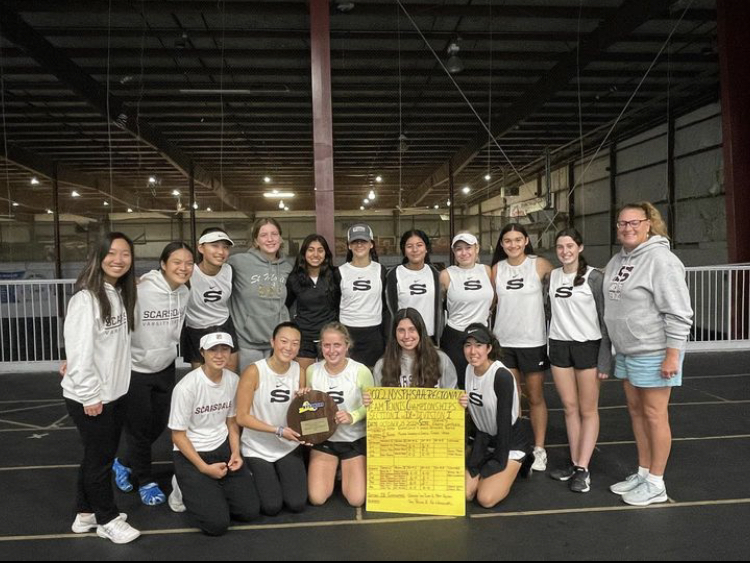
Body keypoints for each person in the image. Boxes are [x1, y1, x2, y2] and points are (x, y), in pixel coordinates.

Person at [604, 202, 693, 506]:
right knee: (637, 413)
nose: (627, 228)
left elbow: (679, 312)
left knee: (655, 415)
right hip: (628, 352)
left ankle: (657, 482)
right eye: (622, 223)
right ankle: (643, 472)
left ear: (648, 224)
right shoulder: (618, 260)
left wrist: (672, 355)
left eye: (634, 222)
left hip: (654, 351)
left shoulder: (661, 260)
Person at [62, 232, 140, 544]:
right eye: (112, 253)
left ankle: (85, 513)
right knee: (100, 461)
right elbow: (80, 351)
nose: (118, 260)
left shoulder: (117, 293)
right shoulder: (86, 298)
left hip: (114, 393)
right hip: (93, 398)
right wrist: (90, 395)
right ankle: (106, 518)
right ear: (99, 256)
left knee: (97, 456)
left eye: (125, 254)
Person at [114, 242, 194, 506]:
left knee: (159, 424)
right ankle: (145, 481)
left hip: (165, 367)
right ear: (162, 264)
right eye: (176, 262)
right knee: (138, 428)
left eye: (188, 263)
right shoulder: (139, 290)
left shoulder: (183, 292)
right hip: (136, 369)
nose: (183, 268)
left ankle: (123, 462)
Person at [168, 332, 260, 535]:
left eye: (224, 349)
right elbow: (178, 436)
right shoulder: (186, 388)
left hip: (222, 447)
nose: (219, 355)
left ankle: (210, 488)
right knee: (216, 525)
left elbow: (231, 422)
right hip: (192, 454)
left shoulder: (233, 380)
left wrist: (236, 452)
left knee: (249, 512)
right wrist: (203, 468)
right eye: (213, 350)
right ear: (202, 353)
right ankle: (180, 487)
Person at [547, 228, 612, 493]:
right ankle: (575, 464)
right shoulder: (551, 276)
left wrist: (605, 360)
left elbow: (605, 320)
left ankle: (584, 469)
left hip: (588, 346)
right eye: (560, 247)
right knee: (569, 408)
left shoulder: (594, 277)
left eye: (570, 246)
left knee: (588, 410)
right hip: (560, 346)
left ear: (580, 247)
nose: (565, 251)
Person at [491, 223, 554, 472]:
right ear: (502, 244)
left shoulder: (539, 265)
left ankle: (539, 449)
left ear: (526, 241)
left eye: (518, 239)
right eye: (508, 240)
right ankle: (514, 444)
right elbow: (490, 302)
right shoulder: (497, 270)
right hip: (504, 342)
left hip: (532, 342)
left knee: (535, 397)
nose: (513, 244)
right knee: (512, 399)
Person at [235, 322, 308, 515]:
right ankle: (250, 473)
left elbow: (303, 412)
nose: (289, 347)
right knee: (271, 507)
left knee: (297, 503)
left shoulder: (299, 370)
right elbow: (241, 417)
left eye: (295, 343)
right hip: (257, 448)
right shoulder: (254, 371)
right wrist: (277, 430)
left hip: (287, 446)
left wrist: (307, 400)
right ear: (273, 342)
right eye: (284, 341)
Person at [462, 323, 534, 508]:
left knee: (485, 499)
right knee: (465, 494)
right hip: (485, 440)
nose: (473, 351)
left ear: (489, 348)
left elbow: (503, 426)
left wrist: (494, 464)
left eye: (478, 345)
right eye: (468, 345)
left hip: (508, 442)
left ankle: (523, 459)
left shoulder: (501, 376)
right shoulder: (469, 369)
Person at [306, 323, 372, 507]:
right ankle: (333, 470)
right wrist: (303, 400)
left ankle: (345, 470)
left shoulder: (360, 371)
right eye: (327, 345)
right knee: (317, 498)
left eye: (337, 345)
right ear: (321, 346)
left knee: (356, 499)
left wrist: (353, 416)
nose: (332, 350)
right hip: (325, 441)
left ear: (347, 345)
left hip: (353, 441)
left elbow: (372, 405)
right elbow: (307, 409)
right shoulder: (312, 371)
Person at [229, 218, 293, 373]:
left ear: (280, 238)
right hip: (248, 343)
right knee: (250, 390)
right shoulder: (238, 262)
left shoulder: (287, 267)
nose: (270, 239)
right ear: (256, 240)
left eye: (274, 234)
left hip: (278, 344)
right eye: (264, 235)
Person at [439, 232, 494, 388]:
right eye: (459, 249)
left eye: (468, 248)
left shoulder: (487, 271)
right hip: (456, 335)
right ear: (454, 252)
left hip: (481, 335)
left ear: (476, 249)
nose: (464, 253)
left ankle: (478, 413)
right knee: (458, 384)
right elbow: (440, 303)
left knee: (481, 383)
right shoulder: (446, 275)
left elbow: (493, 298)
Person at [182, 228, 239, 372]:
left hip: (224, 325)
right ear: (201, 248)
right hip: (196, 329)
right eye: (214, 245)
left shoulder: (229, 271)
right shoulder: (187, 272)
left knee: (229, 377)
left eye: (225, 247)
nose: (221, 252)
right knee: (202, 379)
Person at [286, 234, 341, 373]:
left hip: (328, 338)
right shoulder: (294, 278)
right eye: (311, 250)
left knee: (328, 380)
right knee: (305, 382)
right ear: (304, 252)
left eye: (320, 250)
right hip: (305, 338)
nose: (315, 254)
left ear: (326, 254)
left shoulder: (335, 275)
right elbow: (285, 305)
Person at [338, 223, 388, 368]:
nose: (359, 244)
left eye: (363, 241)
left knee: (372, 380)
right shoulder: (339, 272)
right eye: (355, 241)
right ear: (349, 245)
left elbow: (386, 306)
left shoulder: (381, 271)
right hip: (347, 333)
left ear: (371, 244)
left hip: (373, 334)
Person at [372, 308, 457, 390]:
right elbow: (377, 400)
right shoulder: (382, 365)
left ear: (420, 331)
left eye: (412, 330)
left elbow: (453, 395)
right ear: (395, 334)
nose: (406, 336)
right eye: (401, 330)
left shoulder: (441, 360)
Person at [386, 229, 444, 343]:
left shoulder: (436, 274)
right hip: (405, 339)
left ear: (426, 248)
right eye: (409, 246)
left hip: (430, 339)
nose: (415, 250)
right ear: (404, 250)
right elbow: (389, 311)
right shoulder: (394, 274)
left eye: (419, 245)